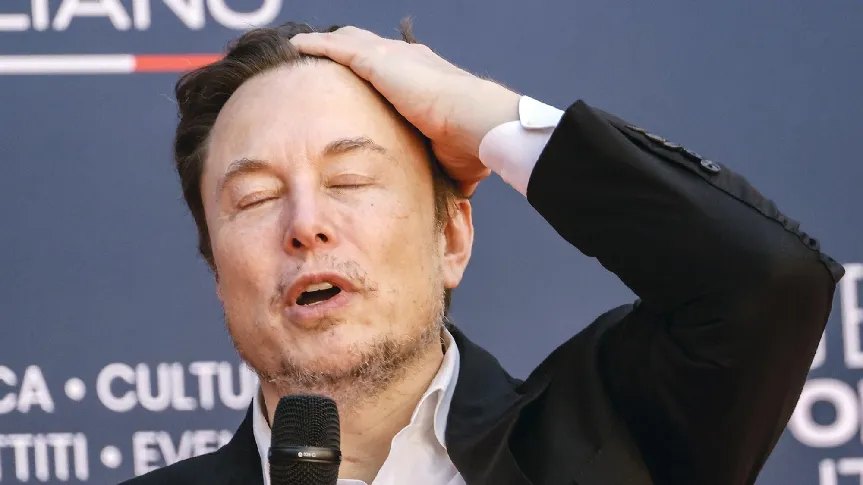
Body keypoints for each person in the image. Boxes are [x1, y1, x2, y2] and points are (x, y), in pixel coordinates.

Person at [121, 20, 844, 485]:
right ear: (218, 273)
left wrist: (482, 115)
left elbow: (765, 282)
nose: (306, 224)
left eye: (350, 180)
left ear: (452, 238)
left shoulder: (617, 434)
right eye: (254, 198)